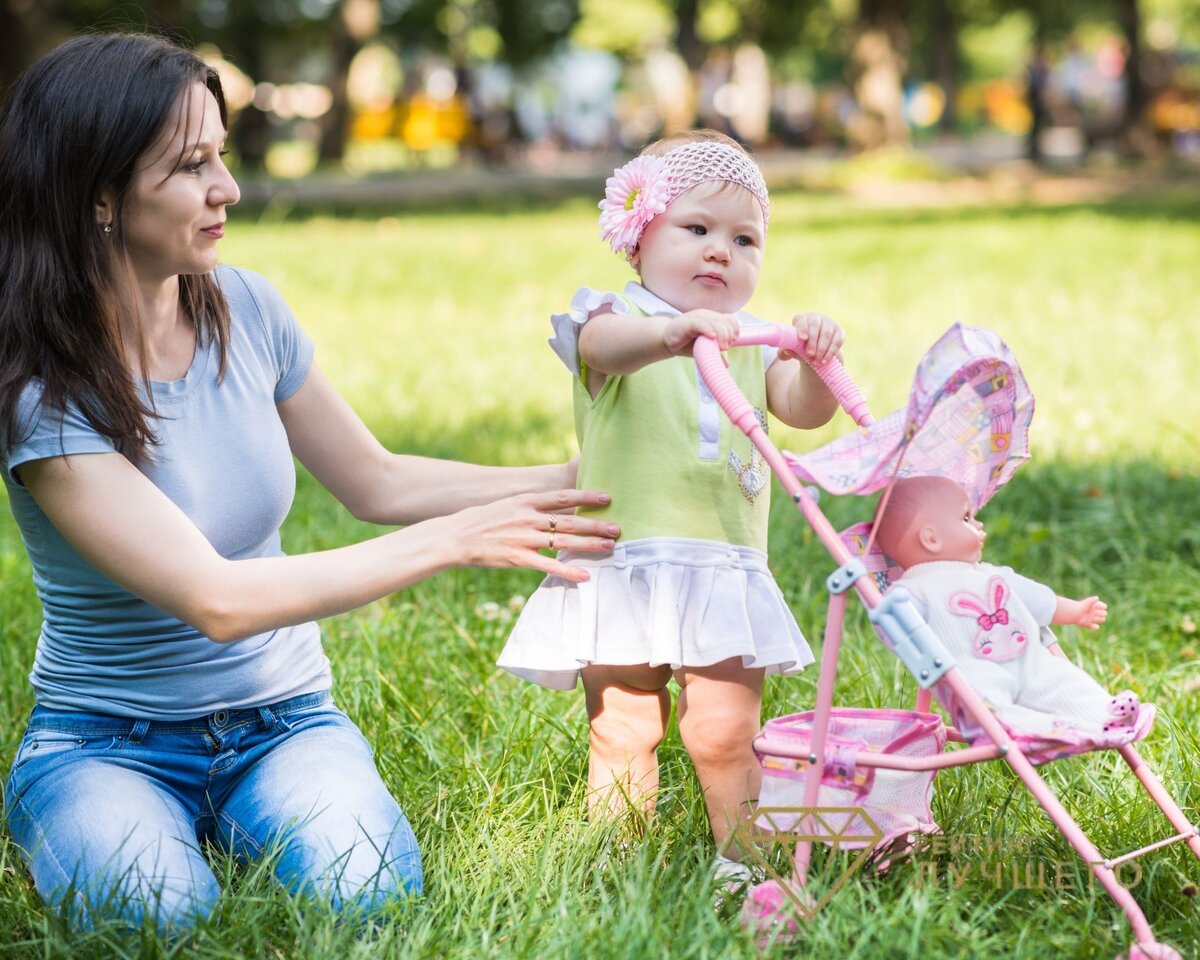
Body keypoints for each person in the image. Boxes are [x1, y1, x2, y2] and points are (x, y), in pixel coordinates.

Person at [0, 33, 619, 932]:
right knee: (159, 923)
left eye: (223, 155)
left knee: (367, 895)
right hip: (104, 745)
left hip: (281, 722)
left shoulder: (246, 308)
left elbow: (378, 479)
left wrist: (571, 477)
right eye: (191, 166)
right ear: (97, 193)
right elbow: (216, 598)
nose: (229, 189)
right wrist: (453, 543)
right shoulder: (42, 395)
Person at [497, 130, 846, 883]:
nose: (722, 251)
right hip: (622, 561)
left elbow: (804, 409)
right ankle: (619, 862)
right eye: (697, 229)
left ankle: (745, 867)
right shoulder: (610, 318)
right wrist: (674, 332)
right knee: (624, 724)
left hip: (720, 563)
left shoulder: (752, 343)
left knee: (726, 729)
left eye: (745, 239)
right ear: (637, 236)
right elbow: (606, 350)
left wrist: (814, 363)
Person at [873, 475, 1151, 748]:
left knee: (1062, 679)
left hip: (1029, 662)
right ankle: (1024, 728)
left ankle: (1104, 714)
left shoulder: (989, 574)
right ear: (931, 538)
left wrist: (1075, 611)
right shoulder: (912, 590)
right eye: (966, 518)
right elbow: (890, 625)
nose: (980, 524)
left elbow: (1038, 600)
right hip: (975, 673)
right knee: (988, 693)